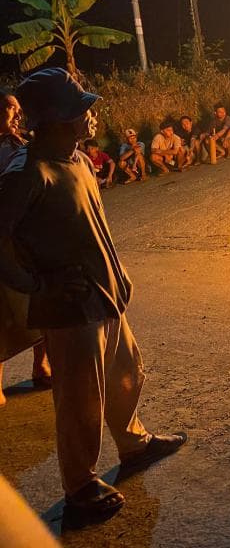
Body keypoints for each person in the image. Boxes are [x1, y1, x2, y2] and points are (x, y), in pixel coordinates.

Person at [2, 68, 186, 519]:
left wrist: (118, 271)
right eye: (82, 107)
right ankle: (80, 487)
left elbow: (93, 226)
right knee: (80, 398)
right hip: (67, 309)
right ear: (58, 118)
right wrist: (35, 285)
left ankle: (134, 443)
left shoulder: (80, 161)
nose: (91, 114)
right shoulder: (26, 174)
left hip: (105, 295)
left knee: (127, 374)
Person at [0, 87, 50, 408]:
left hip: (30, 235)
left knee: (40, 300)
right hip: (3, 234)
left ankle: (41, 365)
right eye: (10, 109)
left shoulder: (24, 142)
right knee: (3, 307)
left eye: (18, 109)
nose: (17, 114)